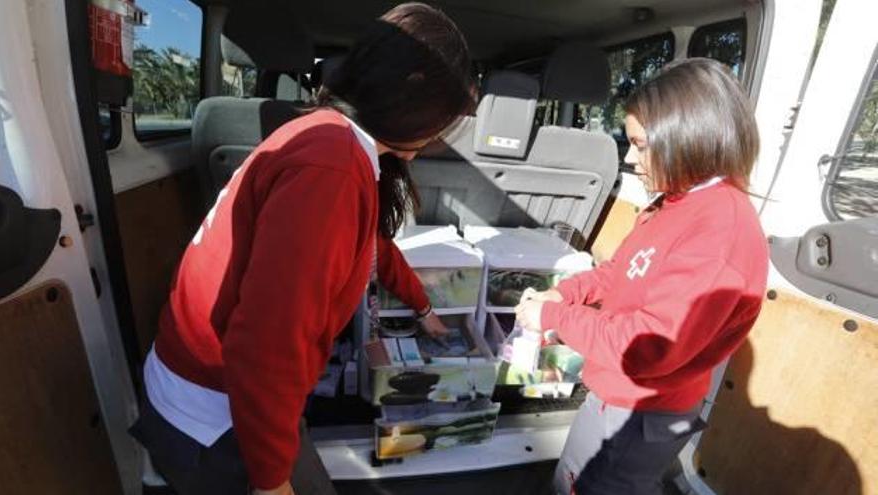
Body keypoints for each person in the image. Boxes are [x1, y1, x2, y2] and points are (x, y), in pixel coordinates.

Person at [129, 4, 474, 495]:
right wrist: (272, 483)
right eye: (443, 117)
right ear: (411, 92)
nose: (440, 133)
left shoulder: (325, 137)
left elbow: (371, 243)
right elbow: (268, 343)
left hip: (213, 399)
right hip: (215, 418)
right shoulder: (330, 166)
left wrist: (422, 307)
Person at [514, 58, 769, 495]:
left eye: (641, 144)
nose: (629, 159)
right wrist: (561, 295)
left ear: (688, 137)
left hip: (643, 409)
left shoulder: (720, 229)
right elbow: (621, 271)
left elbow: (649, 347)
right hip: (615, 390)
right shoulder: (675, 201)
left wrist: (557, 318)